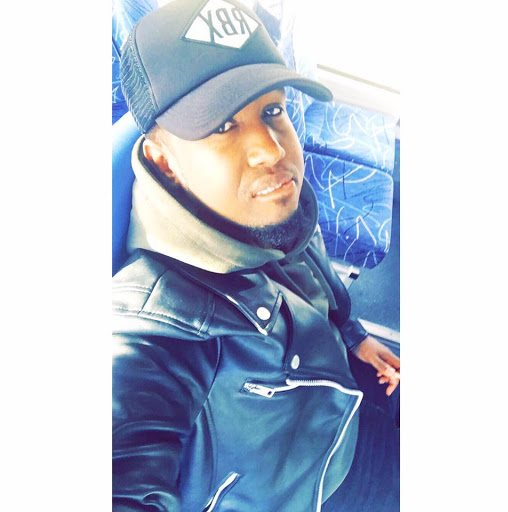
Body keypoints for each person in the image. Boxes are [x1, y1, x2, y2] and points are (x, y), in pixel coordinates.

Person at [112, 0, 400, 510]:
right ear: (164, 160)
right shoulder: (154, 332)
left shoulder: (263, 204)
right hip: (316, 488)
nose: (272, 150)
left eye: (272, 111)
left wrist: (353, 334)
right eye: (224, 125)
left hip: (342, 392)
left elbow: (310, 262)